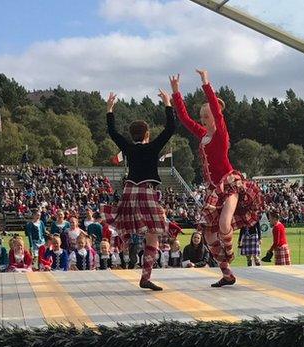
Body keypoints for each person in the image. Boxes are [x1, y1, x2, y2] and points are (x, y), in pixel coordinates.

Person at [171, 69, 264, 288]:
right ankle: (227, 273)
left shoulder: (221, 133)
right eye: (202, 117)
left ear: (214, 115)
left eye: (206, 116)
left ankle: (230, 254)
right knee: (209, 236)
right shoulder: (203, 134)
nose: (203, 119)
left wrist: (206, 83)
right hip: (213, 189)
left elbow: (215, 108)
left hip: (229, 183)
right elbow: (184, 118)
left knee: (224, 223)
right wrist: (176, 92)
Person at [104, 89, 175, 291]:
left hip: (129, 191)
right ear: (147, 135)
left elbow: (112, 132)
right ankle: (146, 276)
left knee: (129, 225)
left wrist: (110, 110)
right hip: (146, 191)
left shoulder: (128, 148)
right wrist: (168, 104)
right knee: (153, 232)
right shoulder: (153, 147)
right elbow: (170, 129)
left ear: (132, 135)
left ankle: (124, 243)